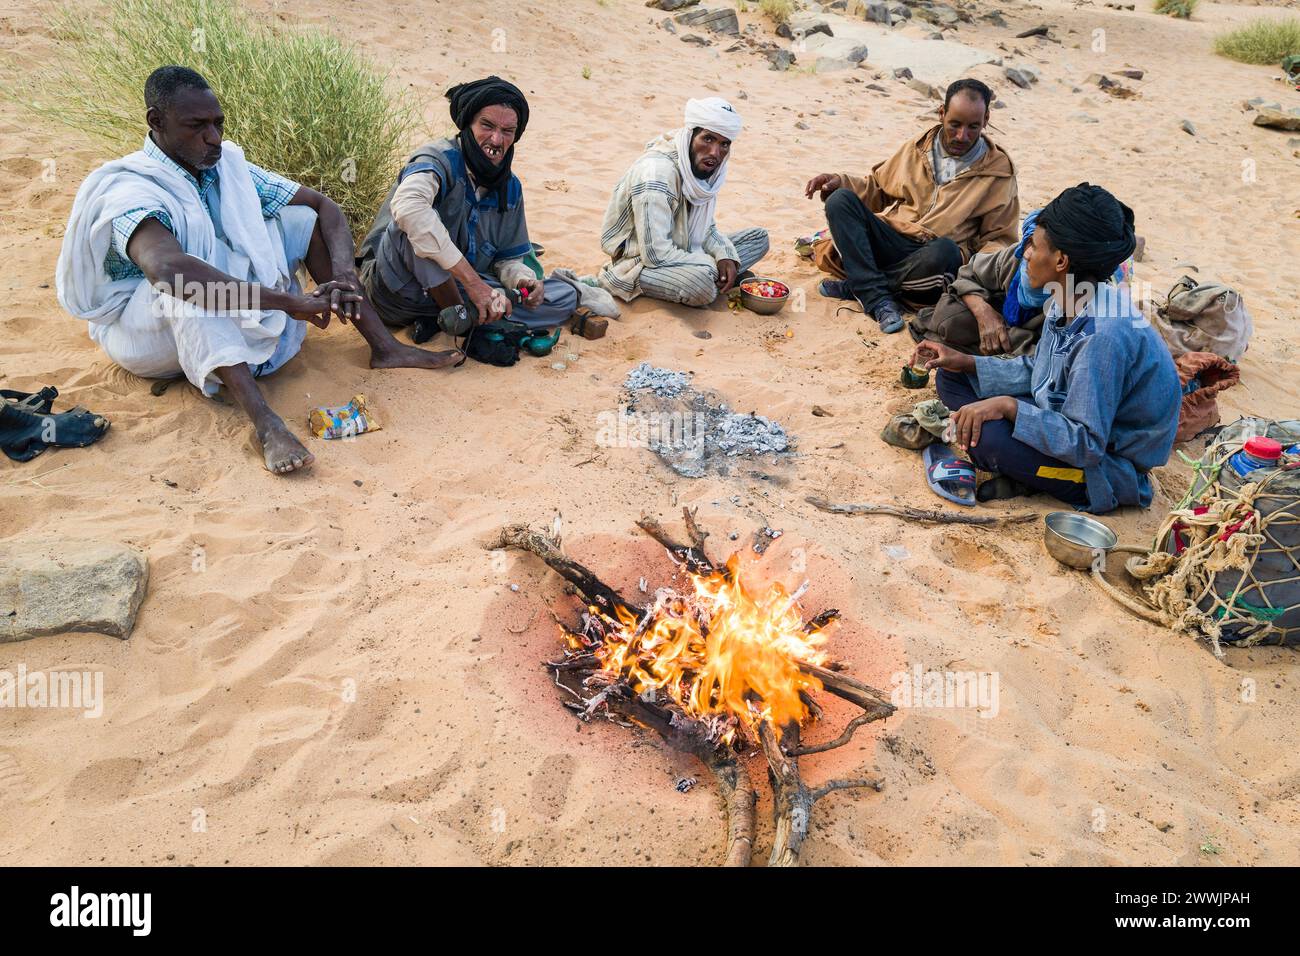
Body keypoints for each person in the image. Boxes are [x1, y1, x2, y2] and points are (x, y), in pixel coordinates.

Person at [56, 66, 453, 475]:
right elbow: (166, 270)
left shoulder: (223, 164)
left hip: (216, 305)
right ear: (156, 122)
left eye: (218, 123)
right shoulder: (133, 188)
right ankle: (266, 423)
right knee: (184, 288)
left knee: (300, 220)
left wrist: (343, 274)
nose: (213, 137)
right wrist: (288, 302)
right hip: (144, 333)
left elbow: (323, 208)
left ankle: (384, 347)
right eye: (197, 126)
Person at [911, 183, 1179, 514]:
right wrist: (967, 362)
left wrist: (1009, 407)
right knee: (952, 378)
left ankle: (1042, 478)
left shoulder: (1101, 338)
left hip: (1104, 466)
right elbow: (1039, 371)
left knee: (990, 439)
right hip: (1061, 414)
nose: (1024, 253)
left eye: (1033, 246)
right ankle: (1024, 468)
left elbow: (1086, 444)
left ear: (1061, 260)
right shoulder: (1067, 297)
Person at [358, 76, 578, 336]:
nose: (496, 140)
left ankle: (453, 319)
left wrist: (521, 279)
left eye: (507, 132)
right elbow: (408, 209)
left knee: (564, 296)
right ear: (468, 124)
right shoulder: (437, 159)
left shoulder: (510, 187)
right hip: (396, 291)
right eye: (487, 126)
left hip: (464, 291)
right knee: (414, 229)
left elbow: (507, 259)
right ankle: (465, 316)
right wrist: (473, 283)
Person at [804, 78, 1019, 334]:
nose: (963, 135)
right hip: (895, 239)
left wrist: (973, 272)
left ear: (986, 120)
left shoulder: (999, 173)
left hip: (935, 260)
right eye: (955, 124)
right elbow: (877, 189)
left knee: (945, 252)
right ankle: (875, 291)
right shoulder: (919, 147)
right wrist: (840, 181)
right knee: (840, 200)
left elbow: (999, 239)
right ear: (941, 114)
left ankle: (865, 289)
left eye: (973, 127)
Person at [597, 97, 769, 307]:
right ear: (690, 136)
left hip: (683, 250)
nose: (715, 153)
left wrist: (725, 256)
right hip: (639, 265)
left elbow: (706, 228)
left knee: (759, 238)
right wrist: (711, 263)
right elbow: (655, 254)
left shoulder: (701, 168)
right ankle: (719, 279)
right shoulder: (656, 174)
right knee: (701, 285)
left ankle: (723, 276)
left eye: (724, 144)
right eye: (707, 139)